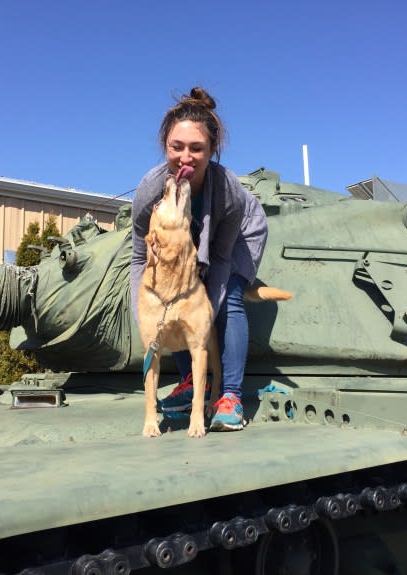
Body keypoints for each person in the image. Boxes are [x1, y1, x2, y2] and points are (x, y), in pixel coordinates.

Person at [130, 86, 268, 432]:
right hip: (180, 233)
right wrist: (145, 308)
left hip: (239, 235)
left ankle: (230, 396)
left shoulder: (228, 192)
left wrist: (203, 309)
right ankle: (194, 379)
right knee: (170, 302)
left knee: (227, 298)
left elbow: (220, 258)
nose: (185, 157)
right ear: (166, 147)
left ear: (212, 150)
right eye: (177, 147)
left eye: (197, 148)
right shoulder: (150, 191)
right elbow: (137, 257)